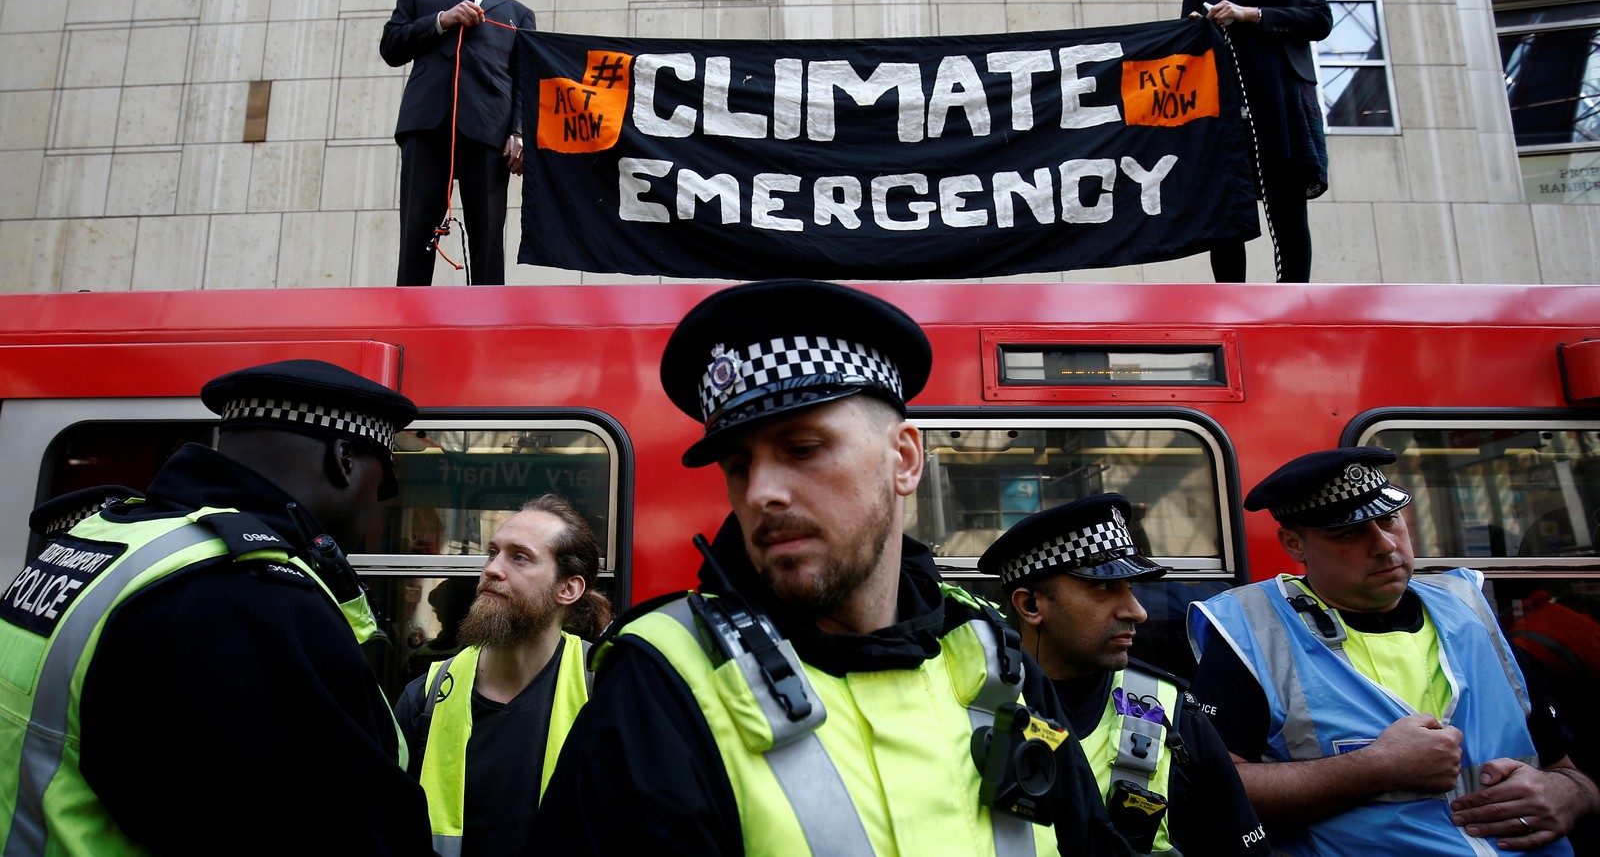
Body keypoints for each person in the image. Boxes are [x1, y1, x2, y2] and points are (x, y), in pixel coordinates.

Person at [533, 279, 1133, 856]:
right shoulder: (662, 683)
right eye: (739, 465)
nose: (761, 492)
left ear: (904, 459)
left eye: (802, 449)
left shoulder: (996, 661)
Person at [0, 359, 433, 855]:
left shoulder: (103, 539)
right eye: (385, 487)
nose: (378, 507)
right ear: (345, 459)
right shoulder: (248, 596)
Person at [1188, 447, 1600, 855]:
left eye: (1390, 519)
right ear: (1295, 544)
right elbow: (1210, 790)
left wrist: (1569, 793)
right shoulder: (1252, 632)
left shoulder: (1470, 610)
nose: (1384, 545)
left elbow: (1567, 771)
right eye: (1349, 533)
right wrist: (1376, 768)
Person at [980, 493, 1268, 855]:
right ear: (1031, 605)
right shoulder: (973, 707)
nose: (1137, 611)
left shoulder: (1174, 714)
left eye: (1130, 587)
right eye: (1103, 587)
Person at [394, 494, 610, 856]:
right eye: (493, 552)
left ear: (568, 589)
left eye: (519, 557)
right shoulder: (427, 696)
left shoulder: (606, 687)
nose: (492, 568)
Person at [1181, 0, 1332, 283]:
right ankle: (1232, 310)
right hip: (1226, 111)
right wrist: (1193, 30)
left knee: (1288, 210)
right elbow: (1186, 62)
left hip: (1283, 101)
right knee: (1228, 210)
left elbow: (1320, 20)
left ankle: (1292, 305)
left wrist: (1253, 15)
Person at [381, 0, 536, 286]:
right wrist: (440, 21)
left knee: (488, 237)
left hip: (488, 130)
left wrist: (519, 132)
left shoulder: (517, 13)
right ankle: (411, 319)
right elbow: (391, 47)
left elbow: (524, 79)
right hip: (425, 124)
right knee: (416, 232)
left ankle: (487, 323)